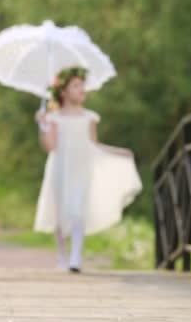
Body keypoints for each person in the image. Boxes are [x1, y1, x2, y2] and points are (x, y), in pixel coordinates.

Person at [33, 67, 142, 273]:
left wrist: (119, 152)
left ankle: (76, 256)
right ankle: (62, 254)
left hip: (81, 168)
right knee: (60, 210)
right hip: (60, 167)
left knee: (77, 210)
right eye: (75, 86)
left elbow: (94, 145)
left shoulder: (89, 117)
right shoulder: (54, 118)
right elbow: (50, 146)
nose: (81, 89)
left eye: (82, 85)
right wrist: (43, 127)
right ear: (63, 91)